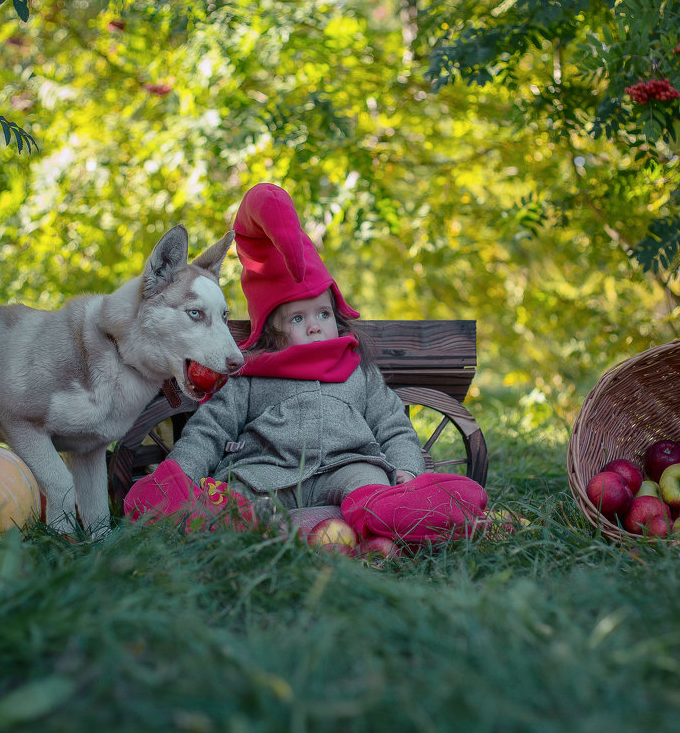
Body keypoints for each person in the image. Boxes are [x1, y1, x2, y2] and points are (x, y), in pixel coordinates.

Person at [123, 183, 486, 546]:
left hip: (347, 469)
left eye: (323, 313)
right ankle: (292, 530)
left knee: (373, 489)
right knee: (232, 499)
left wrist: (406, 468)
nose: (314, 325)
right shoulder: (250, 374)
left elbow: (394, 426)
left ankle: (377, 518)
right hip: (264, 474)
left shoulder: (357, 369)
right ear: (271, 331)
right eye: (297, 319)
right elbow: (209, 430)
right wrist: (182, 475)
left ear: (336, 316)